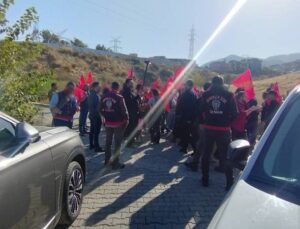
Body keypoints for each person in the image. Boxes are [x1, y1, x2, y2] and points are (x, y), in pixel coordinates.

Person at [200, 76, 238, 190]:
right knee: (225, 156)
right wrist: (227, 123)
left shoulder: (205, 94)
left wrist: (205, 121)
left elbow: (200, 111)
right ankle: (229, 181)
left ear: (212, 83)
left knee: (206, 154)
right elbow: (235, 113)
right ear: (222, 83)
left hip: (209, 128)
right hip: (223, 130)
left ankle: (205, 179)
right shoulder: (229, 95)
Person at [100, 82, 129, 169]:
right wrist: (126, 119)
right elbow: (124, 110)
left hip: (108, 123)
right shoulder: (119, 98)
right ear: (118, 88)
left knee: (108, 143)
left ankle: (107, 161)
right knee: (117, 143)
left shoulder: (104, 96)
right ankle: (115, 163)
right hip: (118, 124)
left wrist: (104, 116)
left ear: (111, 87)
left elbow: (99, 109)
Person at [175, 80, 198, 154]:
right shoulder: (194, 94)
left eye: (186, 85)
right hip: (190, 117)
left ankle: (188, 148)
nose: (184, 86)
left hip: (185, 116)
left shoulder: (187, 94)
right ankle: (186, 146)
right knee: (187, 133)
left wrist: (178, 113)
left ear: (188, 85)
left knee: (186, 133)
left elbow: (181, 105)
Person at [122, 79, 139, 146]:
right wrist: (137, 96)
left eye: (132, 82)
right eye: (131, 82)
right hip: (130, 113)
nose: (132, 83)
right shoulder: (126, 91)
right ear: (127, 83)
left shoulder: (130, 91)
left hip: (133, 113)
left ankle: (131, 141)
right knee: (130, 128)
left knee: (132, 127)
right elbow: (128, 102)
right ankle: (129, 143)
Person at [88, 81, 104, 152]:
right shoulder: (95, 95)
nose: (100, 87)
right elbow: (97, 107)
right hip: (96, 115)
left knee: (92, 130)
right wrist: (101, 115)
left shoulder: (91, 94)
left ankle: (92, 145)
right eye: (98, 86)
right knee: (96, 132)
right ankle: (97, 147)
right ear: (95, 87)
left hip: (92, 114)